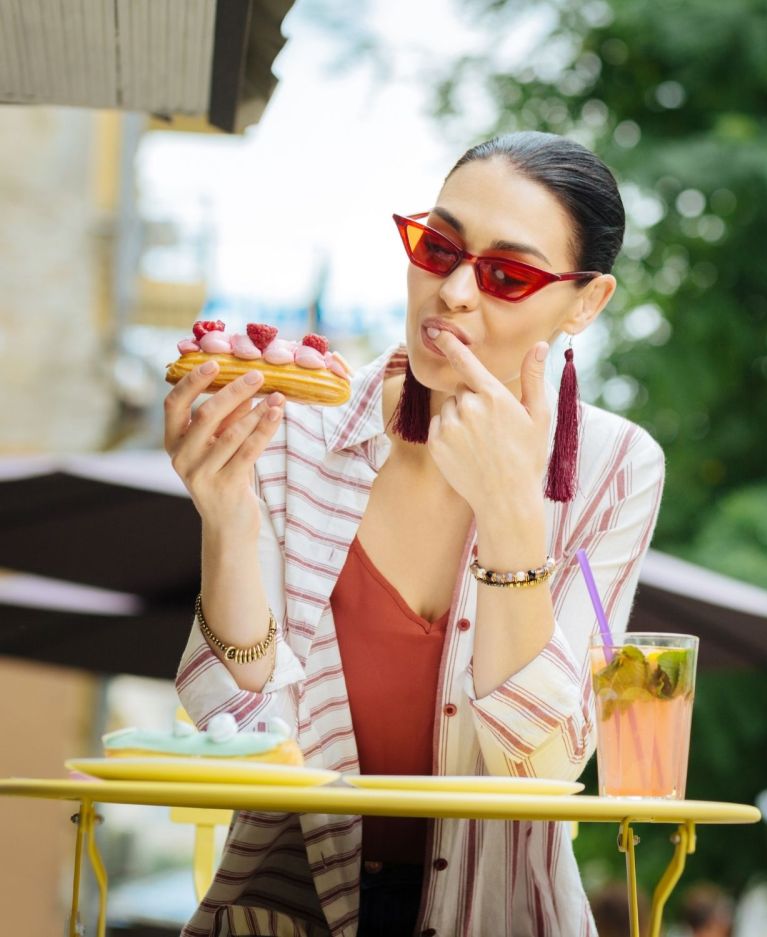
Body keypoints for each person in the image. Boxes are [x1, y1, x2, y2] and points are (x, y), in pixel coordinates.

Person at [164, 132, 666, 936]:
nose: (456, 291)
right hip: (287, 911)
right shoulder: (294, 435)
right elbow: (237, 726)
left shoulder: (614, 469)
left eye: (509, 274)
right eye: (439, 247)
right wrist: (227, 520)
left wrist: (511, 521)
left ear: (585, 302)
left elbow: (539, 767)